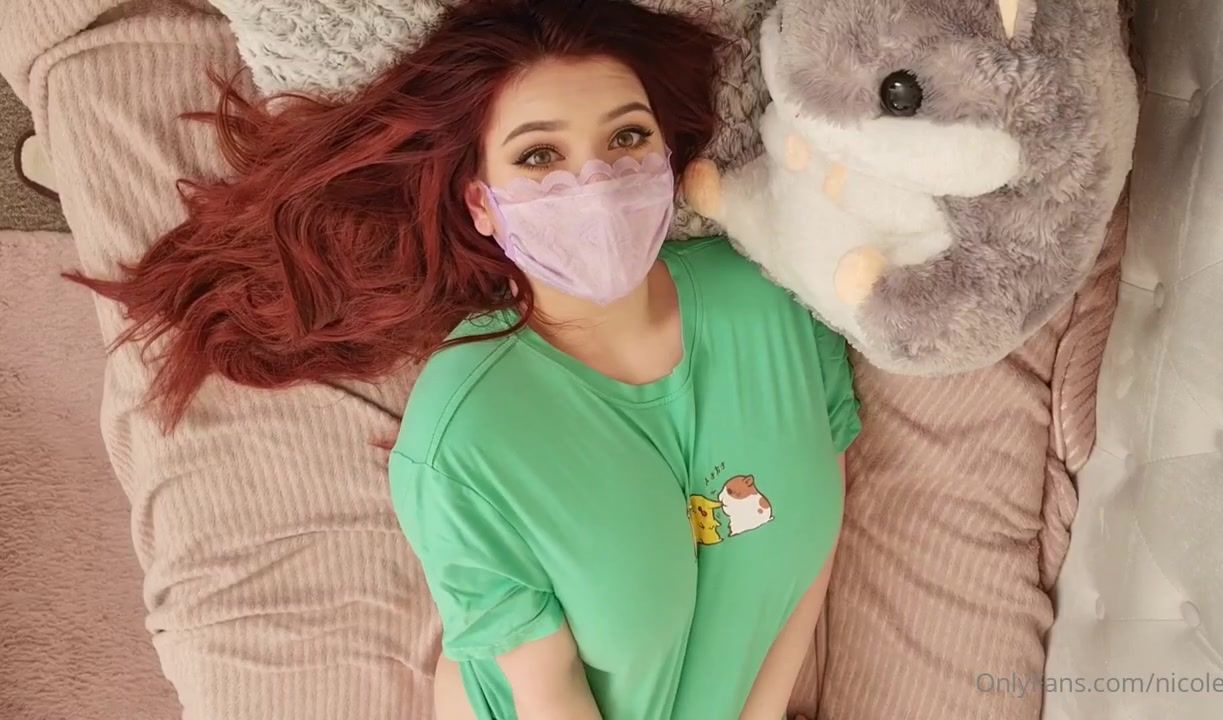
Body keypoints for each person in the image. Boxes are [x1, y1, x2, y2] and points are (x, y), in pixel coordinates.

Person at [70, 0, 860, 718]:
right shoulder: (465, 437)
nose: (594, 183)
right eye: (539, 156)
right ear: (481, 203)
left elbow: (808, 552)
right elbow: (546, 691)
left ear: (667, 155)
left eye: (626, 138)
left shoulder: (777, 303)